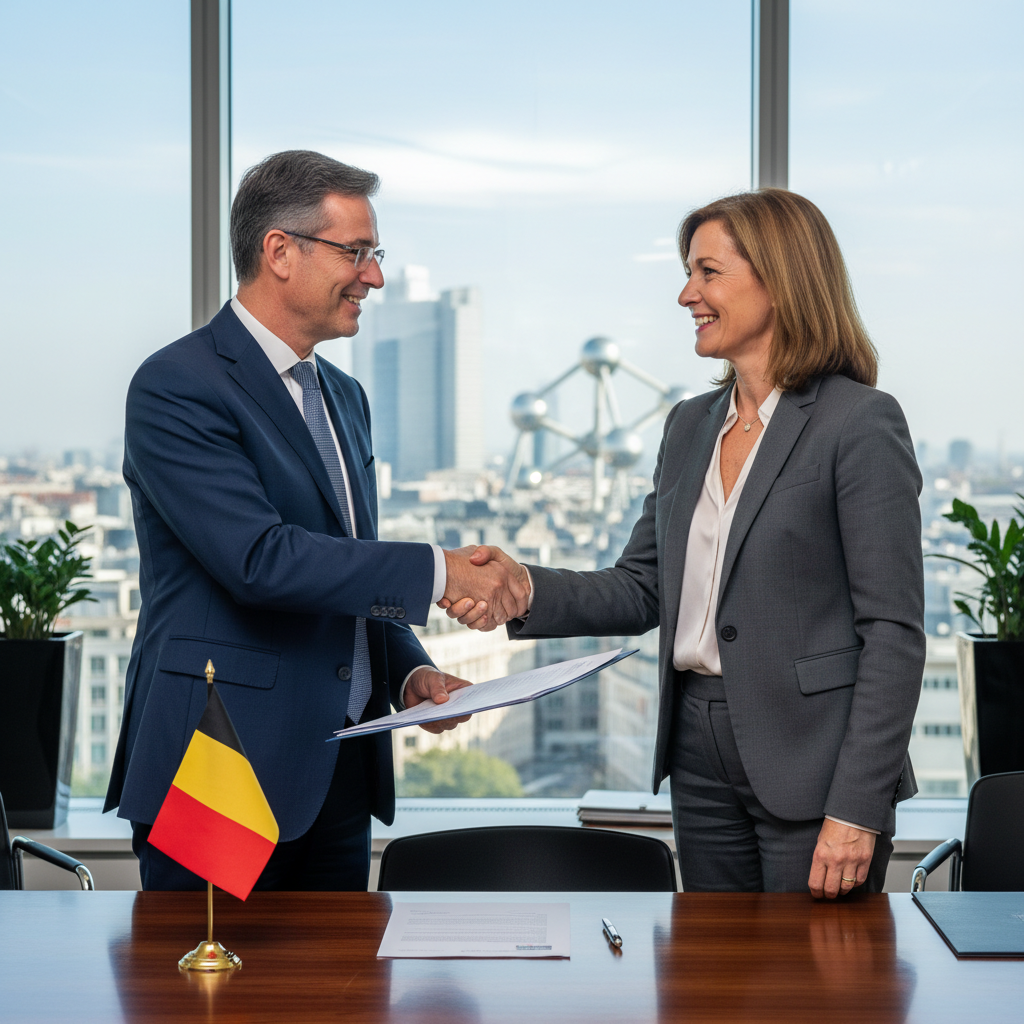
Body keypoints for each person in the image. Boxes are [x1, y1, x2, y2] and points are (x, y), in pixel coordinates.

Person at [444, 188, 925, 898]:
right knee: (715, 985)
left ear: (780, 280)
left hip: (812, 755)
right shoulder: (689, 425)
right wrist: (521, 587)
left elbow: (892, 631)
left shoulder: (859, 424)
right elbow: (642, 586)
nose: (685, 295)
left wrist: (858, 805)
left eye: (707, 273)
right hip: (697, 750)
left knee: (816, 989)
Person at [104, 150, 525, 890]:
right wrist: (440, 570)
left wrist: (411, 672)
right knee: (206, 1002)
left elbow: (346, 566)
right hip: (221, 762)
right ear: (279, 252)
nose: (375, 276)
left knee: (337, 1001)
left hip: (338, 775)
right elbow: (261, 561)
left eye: (375, 254)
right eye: (356, 252)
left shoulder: (344, 398)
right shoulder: (177, 386)